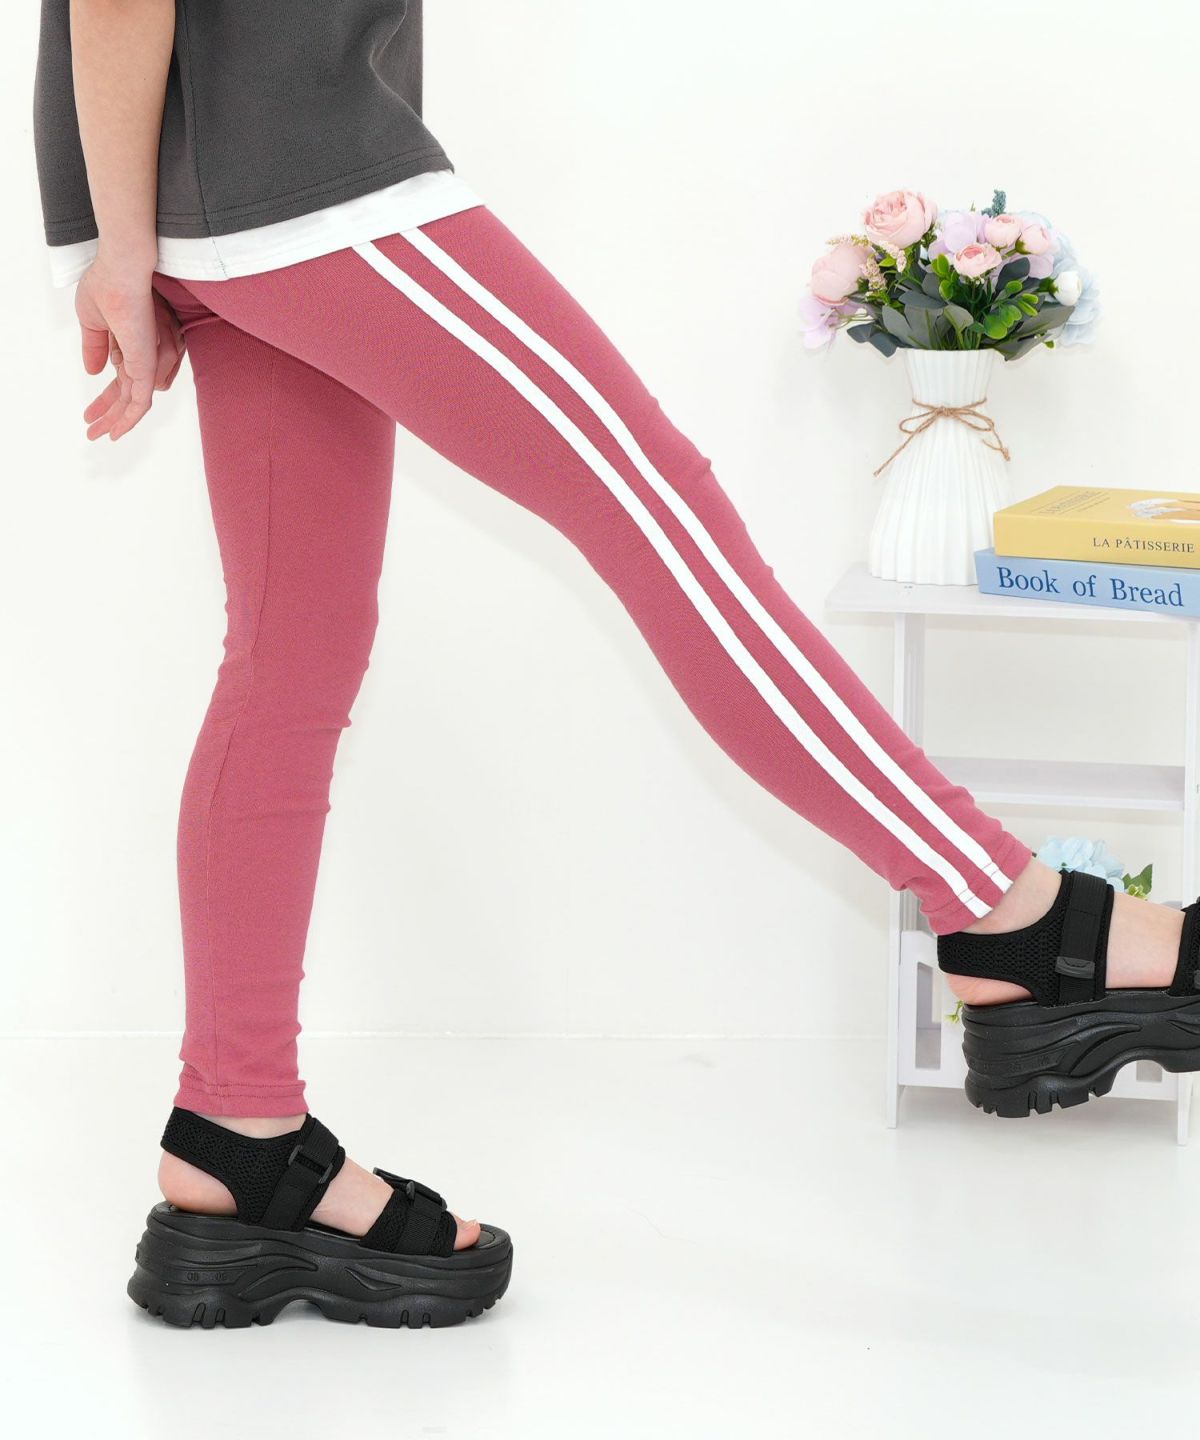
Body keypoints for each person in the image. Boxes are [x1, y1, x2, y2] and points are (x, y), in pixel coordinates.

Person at [34, 0, 1200, 1330]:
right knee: (655, 511)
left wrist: (130, 233)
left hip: (222, 180)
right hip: (291, 174)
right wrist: (125, 244)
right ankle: (1010, 908)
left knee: (291, 656)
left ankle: (235, 1137)